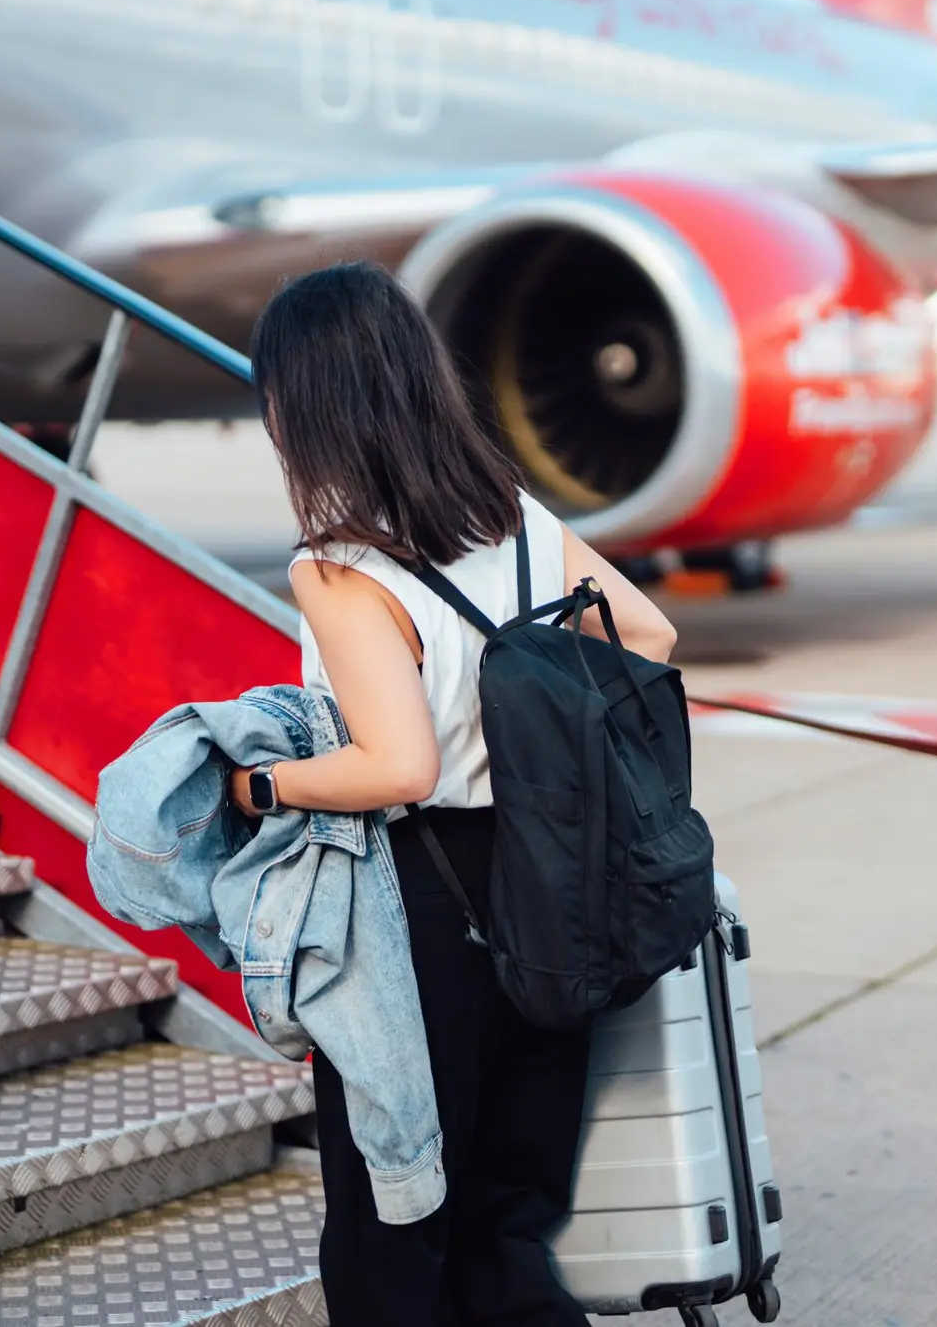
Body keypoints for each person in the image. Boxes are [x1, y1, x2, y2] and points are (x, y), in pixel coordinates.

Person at [228, 261, 678, 1324]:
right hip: (549, 879)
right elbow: (649, 635)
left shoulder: (340, 566)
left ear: (307, 403)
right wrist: (527, 722)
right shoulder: (515, 520)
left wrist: (260, 783)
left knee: (394, 1224)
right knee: (507, 1219)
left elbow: (397, 767)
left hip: (418, 904)